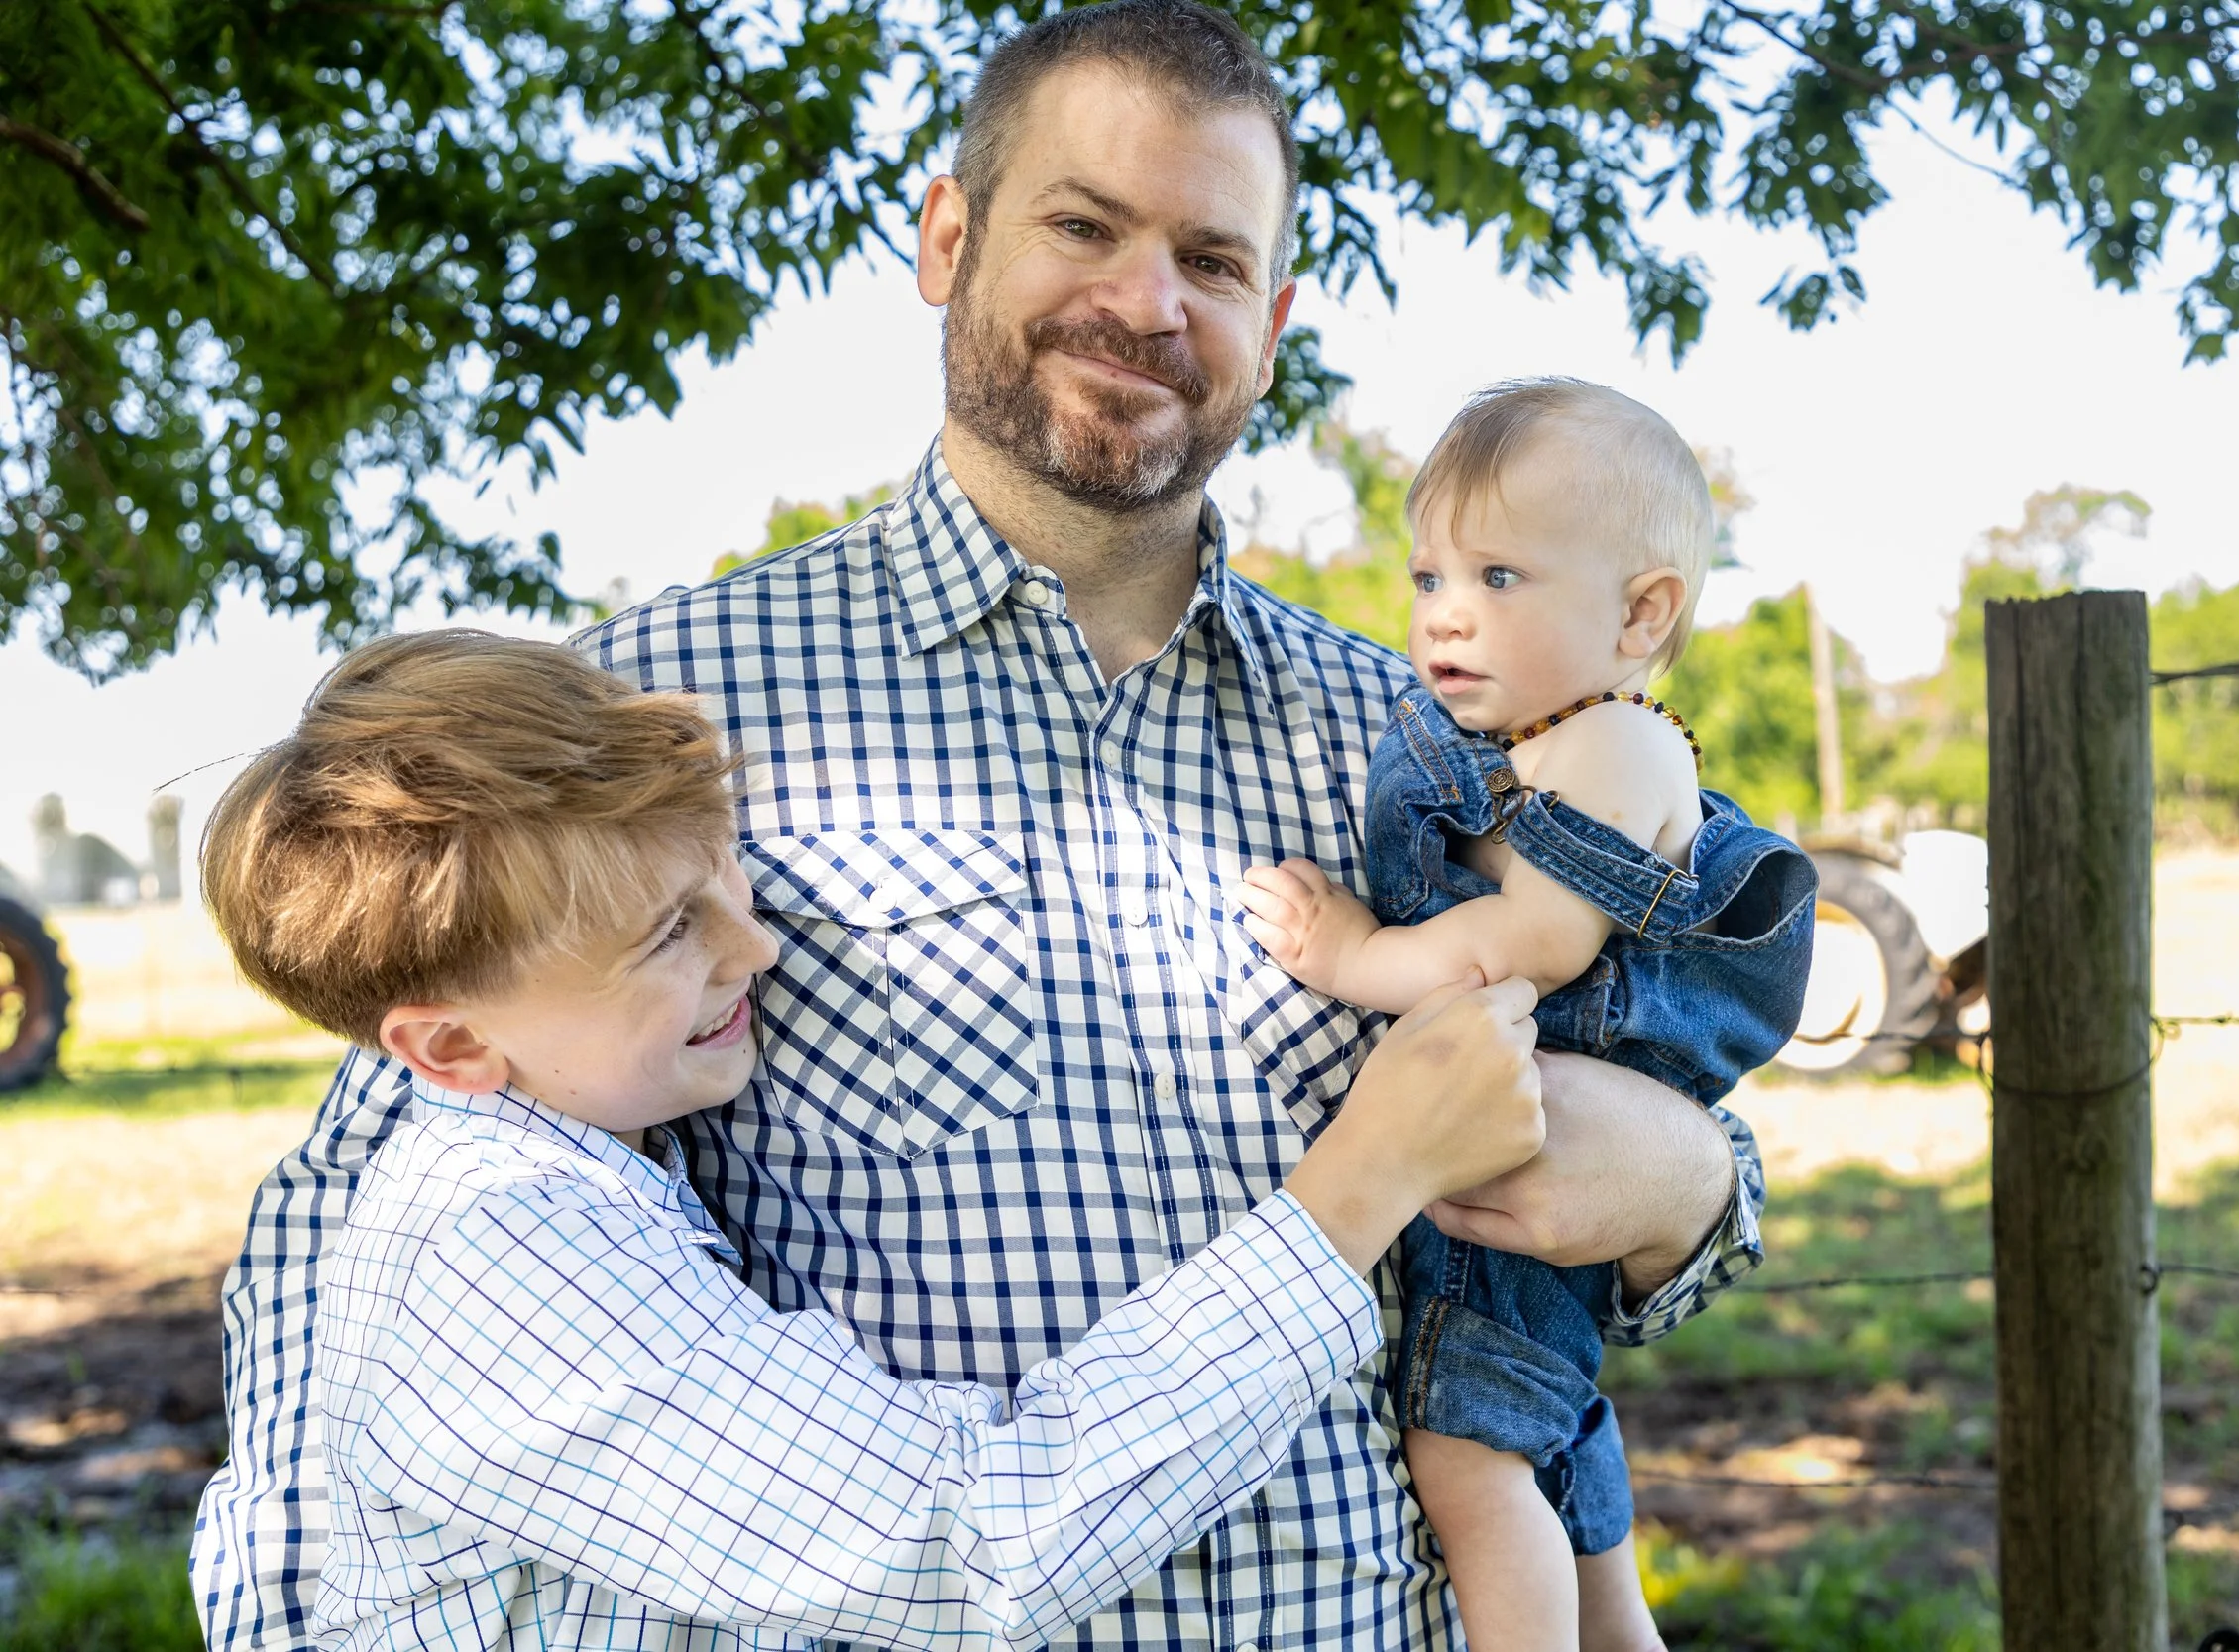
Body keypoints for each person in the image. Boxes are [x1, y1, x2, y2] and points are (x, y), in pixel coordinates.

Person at [193, 5, 1770, 1645]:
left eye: (1214, 262)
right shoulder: (653, 720)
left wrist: (1680, 1181)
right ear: (948, 236)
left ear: (1275, 316)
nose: (1148, 302)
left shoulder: (1434, 742)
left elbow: (1671, 1096)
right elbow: (360, 1264)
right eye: (1085, 225)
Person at [193, 629, 1548, 1646]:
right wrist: (1363, 1180)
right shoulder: (504, 1249)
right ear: (449, 1047)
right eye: (671, 933)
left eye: (721, 866)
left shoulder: (575, 1141)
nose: (758, 942)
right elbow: (968, 1544)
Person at [1237, 380, 1818, 1651]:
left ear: (1641, 612)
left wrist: (1350, 951)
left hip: (1515, 1161)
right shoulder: (1518, 732)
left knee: (1470, 1459)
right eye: (1429, 572)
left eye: (1500, 575)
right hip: (1503, 1170)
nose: (1447, 612)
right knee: (1555, 1423)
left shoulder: (1617, 746)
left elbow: (1532, 943)